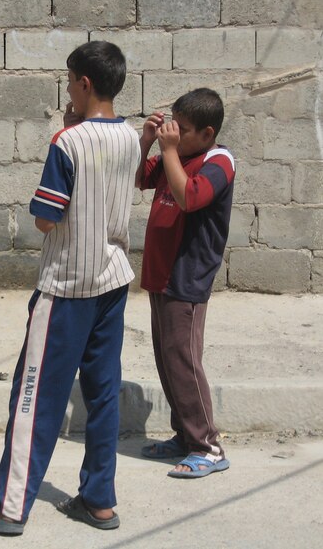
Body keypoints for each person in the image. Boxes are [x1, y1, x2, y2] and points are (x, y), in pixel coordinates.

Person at [0, 41, 140, 534]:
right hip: (113, 278)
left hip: (68, 287)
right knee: (102, 394)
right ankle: (99, 500)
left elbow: (43, 220)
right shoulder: (130, 138)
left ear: (83, 84)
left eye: (70, 81)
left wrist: (67, 131)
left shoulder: (67, 143)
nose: (68, 90)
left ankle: (9, 507)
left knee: (34, 398)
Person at [135, 88, 234, 478]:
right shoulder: (179, 155)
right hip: (161, 271)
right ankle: (184, 435)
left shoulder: (217, 159)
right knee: (167, 358)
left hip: (187, 273)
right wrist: (146, 141)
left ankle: (208, 446)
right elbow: (140, 177)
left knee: (184, 360)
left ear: (207, 133)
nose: (174, 134)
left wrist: (171, 151)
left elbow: (191, 198)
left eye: (184, 129)